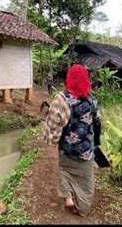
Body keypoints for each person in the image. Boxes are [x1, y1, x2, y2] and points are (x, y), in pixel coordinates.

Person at [43, 64, 102, 217]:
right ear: (86, 79)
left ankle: (68, 198)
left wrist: (52, 140)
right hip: (86, 153)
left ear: (69, 79)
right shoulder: (92, 100)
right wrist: (95, 142)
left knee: (65, 171)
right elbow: (97, 123)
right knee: (86, 183)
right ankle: (82, 209)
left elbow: (53, 126)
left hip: (67, 150)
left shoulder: (62, 100)